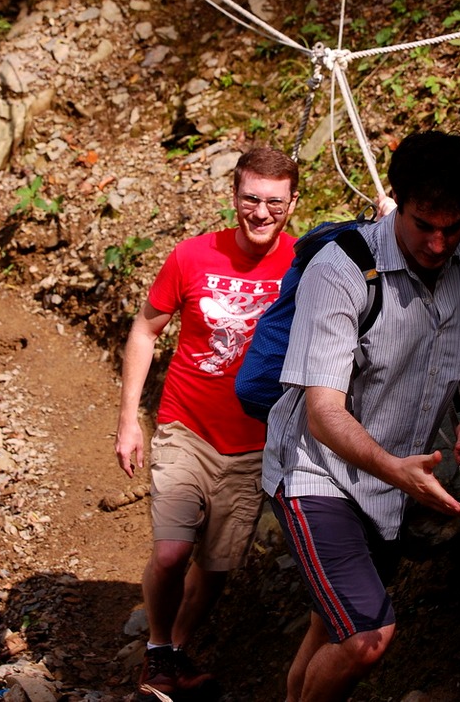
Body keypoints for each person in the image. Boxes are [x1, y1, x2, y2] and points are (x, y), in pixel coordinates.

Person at [261, 130, 460, 702]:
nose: (437, 244)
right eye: (423, 225)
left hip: (392, 485)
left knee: (329, 621)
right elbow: (324, 412)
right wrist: (396, 470)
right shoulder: (342, 270)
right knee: (367, 637)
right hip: (317, 472)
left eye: (451, 227)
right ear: (395, 203)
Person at [115, 145, 300, 697]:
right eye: (251, 199)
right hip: (186, 426)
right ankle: (156, 649)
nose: (261, 212)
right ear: (234, 196)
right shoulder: (192, 256)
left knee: (217, 565)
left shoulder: (304, 260)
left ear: (292, 203)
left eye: (274, 202)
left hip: (257, 441)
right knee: (173, 552)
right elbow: (145, 332)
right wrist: (129, 419)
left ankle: (174, 653)